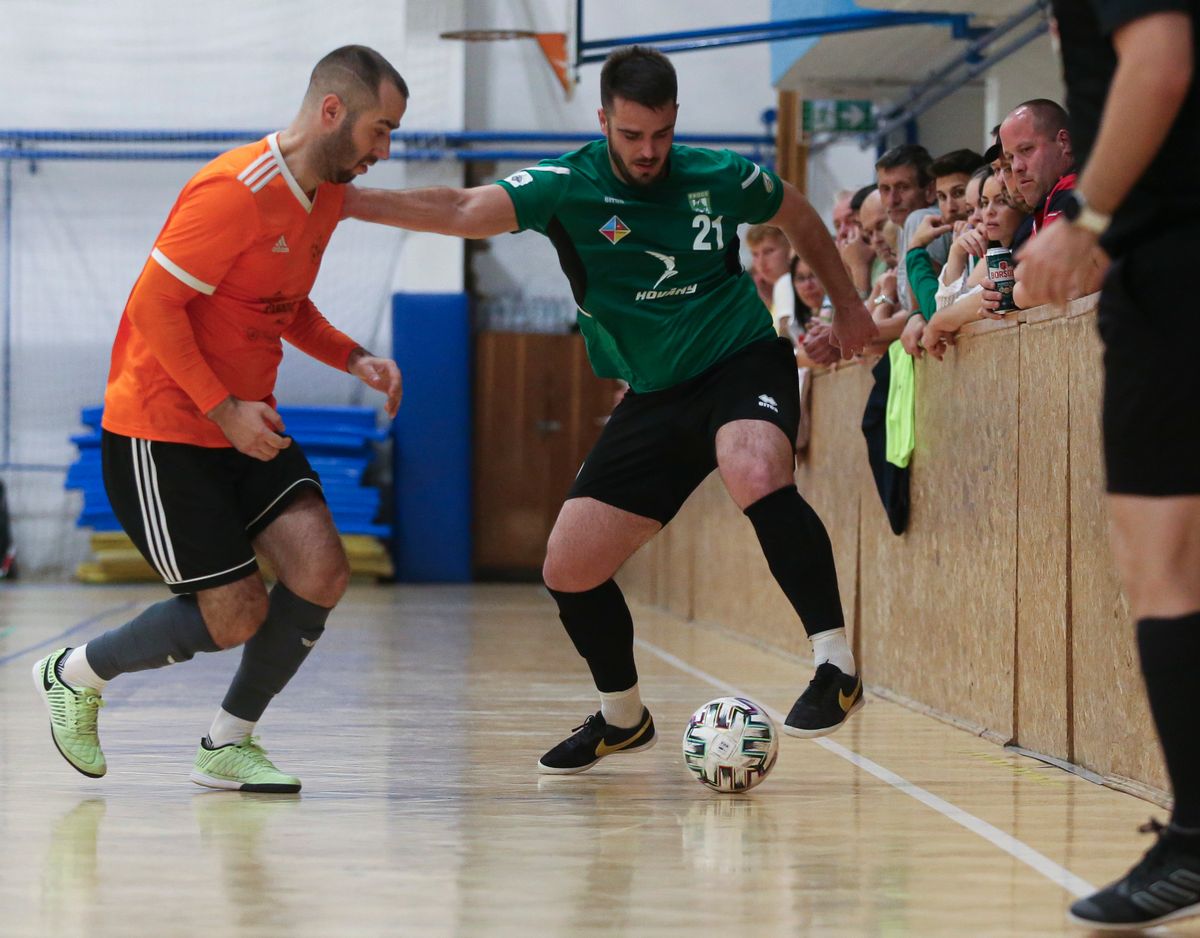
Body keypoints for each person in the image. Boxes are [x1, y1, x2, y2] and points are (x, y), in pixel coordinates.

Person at [347, 45, 878, 773]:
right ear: (604, 122)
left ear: (675, 121)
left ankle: (835, 665)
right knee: (568, 567)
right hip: (656, 393)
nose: (649, 151)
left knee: (750, 463)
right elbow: (464, 207)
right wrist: (344, 199)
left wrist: (848, 306)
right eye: (631, 136)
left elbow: (798, 214)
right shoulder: (567, 184)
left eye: (660, 134)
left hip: (736, 360)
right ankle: (623, 717)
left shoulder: (715, 174)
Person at [32, 45, 407, 793]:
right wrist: (222, 409)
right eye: (380, 129)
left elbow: (282, 303)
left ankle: (227, 742)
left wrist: (353, 357)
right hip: (162, 429)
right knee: (234, 614)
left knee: (321, 570)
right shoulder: (233, 190)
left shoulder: (324, 196)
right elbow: (152, 305)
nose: (383, 150)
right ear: (332, 111)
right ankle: (75, 673)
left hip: (243, 424)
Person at [1017, 1, 1200, 929]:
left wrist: (1085, 218)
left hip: (1174, 265)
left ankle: (1197, 841)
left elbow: (1160, 62)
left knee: (1162, 560)